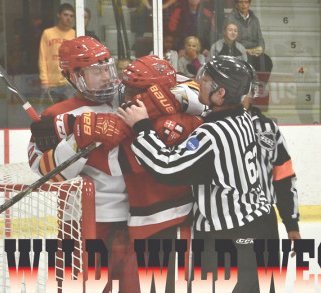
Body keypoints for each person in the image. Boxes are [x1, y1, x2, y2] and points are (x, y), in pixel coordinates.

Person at [118, 55, 273, 292]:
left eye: (206, 79)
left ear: (221, 93)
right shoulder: (242, 116)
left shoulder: (213, 133)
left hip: (234, 235)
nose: (198, 82)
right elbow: (195, 125)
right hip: (259, 226)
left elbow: (167, 167)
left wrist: (142, 127)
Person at [29, 36, 139, 293]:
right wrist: (78, 139)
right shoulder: (56, 115)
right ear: (74, 76)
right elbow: (44, 173)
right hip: (84, 223)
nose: (106, 77)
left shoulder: (126, 98)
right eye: (95, 72)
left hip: (133, 220)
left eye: (107, 69)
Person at [119, 55, 206, 293]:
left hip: (174, 225)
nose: (127, 98)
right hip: (143, 226)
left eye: (134, 91)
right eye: (126, 89)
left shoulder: (183, 122)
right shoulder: (134, 119)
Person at [242, 74, 301, 251]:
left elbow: (283, 177)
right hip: (222, 222)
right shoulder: (208, 126)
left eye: (242, 90)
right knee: (223, 278)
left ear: (251, 93)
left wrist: (291, 224)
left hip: (263, 219)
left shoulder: (268, 129)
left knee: (266, 277)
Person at [226, 0, 273, 111]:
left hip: (253, 51)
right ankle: (247, 91)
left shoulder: (254, 19)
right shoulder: (231, 19)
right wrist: (245, 50)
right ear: (236, 5)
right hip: (239, 51)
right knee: (248, 62)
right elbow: (230, 39)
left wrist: (260, 48)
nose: (243, 5)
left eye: (246, 2)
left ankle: (260, 88)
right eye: (241, 2)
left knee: (267, 61)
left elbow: (260, 38)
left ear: (249, 4)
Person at [38, 3, 77, 104]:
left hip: (69, 83)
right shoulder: (48, 33)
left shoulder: (75, 34)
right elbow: (42, 58)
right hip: (51, 83)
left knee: (68, 114)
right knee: (50, 115)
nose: (68, 18)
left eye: (71, 16)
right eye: (65, 15)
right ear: (59, 15)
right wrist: (44, 80)